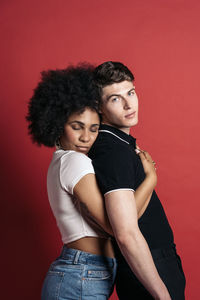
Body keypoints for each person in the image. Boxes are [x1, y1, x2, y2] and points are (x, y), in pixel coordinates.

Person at [26, 63, 166, 299]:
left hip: (82, 271)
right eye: (76, 127)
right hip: (79, 273)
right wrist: (150, 179)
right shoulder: (74, 161)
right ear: (57, 125)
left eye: (93, 129)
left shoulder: (62, 160)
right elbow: (115, 227)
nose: (86, 137)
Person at [88, 61, 186, 299]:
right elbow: (125, 233)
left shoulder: (120, 144)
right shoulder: (112, 150)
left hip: (155, 260)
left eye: (130, 93)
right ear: (99, 107)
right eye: (115, 98)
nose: (128, 104)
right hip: (148, 265)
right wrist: (162, 294)